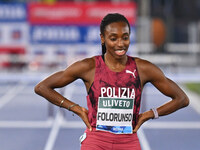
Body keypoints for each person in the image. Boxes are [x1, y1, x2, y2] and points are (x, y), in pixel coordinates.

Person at [34, 13, 189, 150]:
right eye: (113, 38)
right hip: (96, 140)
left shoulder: (143, 68)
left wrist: (150, 114)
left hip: (128, 140)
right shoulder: (88, 67)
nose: (120, 44)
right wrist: (75, 108)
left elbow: (182, 99)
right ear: (103, 38)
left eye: (125, 37)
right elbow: (42, 87)